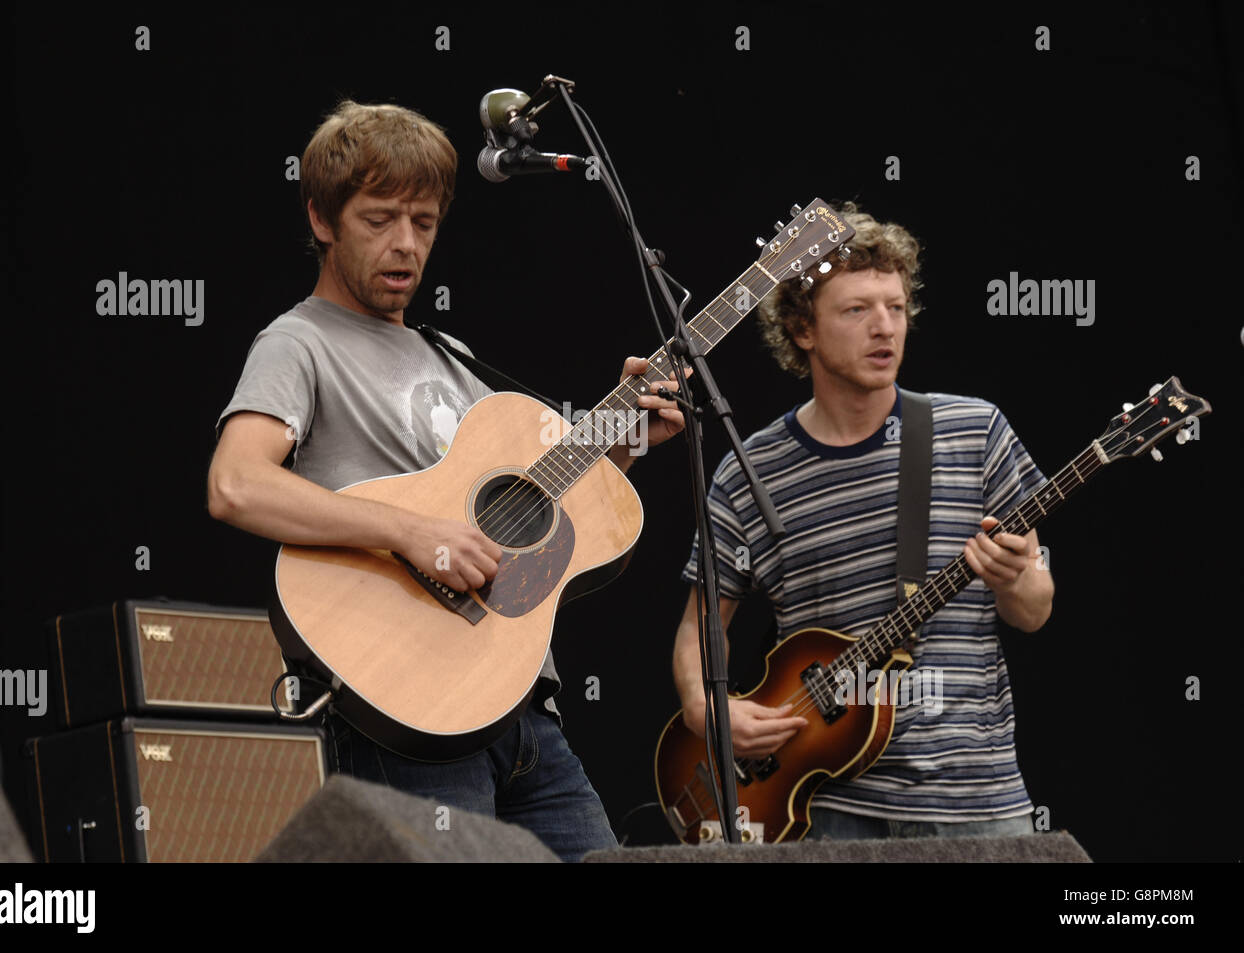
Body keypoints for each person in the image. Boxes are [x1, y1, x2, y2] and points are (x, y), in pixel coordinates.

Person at [207, 100, 685, 861]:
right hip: (411, 710)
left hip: (522, 707)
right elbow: (235, 484)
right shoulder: (297, 342)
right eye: (380, 219)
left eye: (423, 223)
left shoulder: (449, 353)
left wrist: (620, 446)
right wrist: (413, 533)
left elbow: (531, 511)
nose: (404, 244)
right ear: (322, 220)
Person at [672, 203, 1054, 839]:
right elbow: (698, 626)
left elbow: (1035, 609)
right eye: (857, 310)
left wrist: (1016, 579)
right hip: (824, 806)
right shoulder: (749, 470)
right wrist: (702, 704)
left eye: (896, 308)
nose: (886, 328)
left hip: (978, 803)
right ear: (803, 329)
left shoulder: (974, 432)